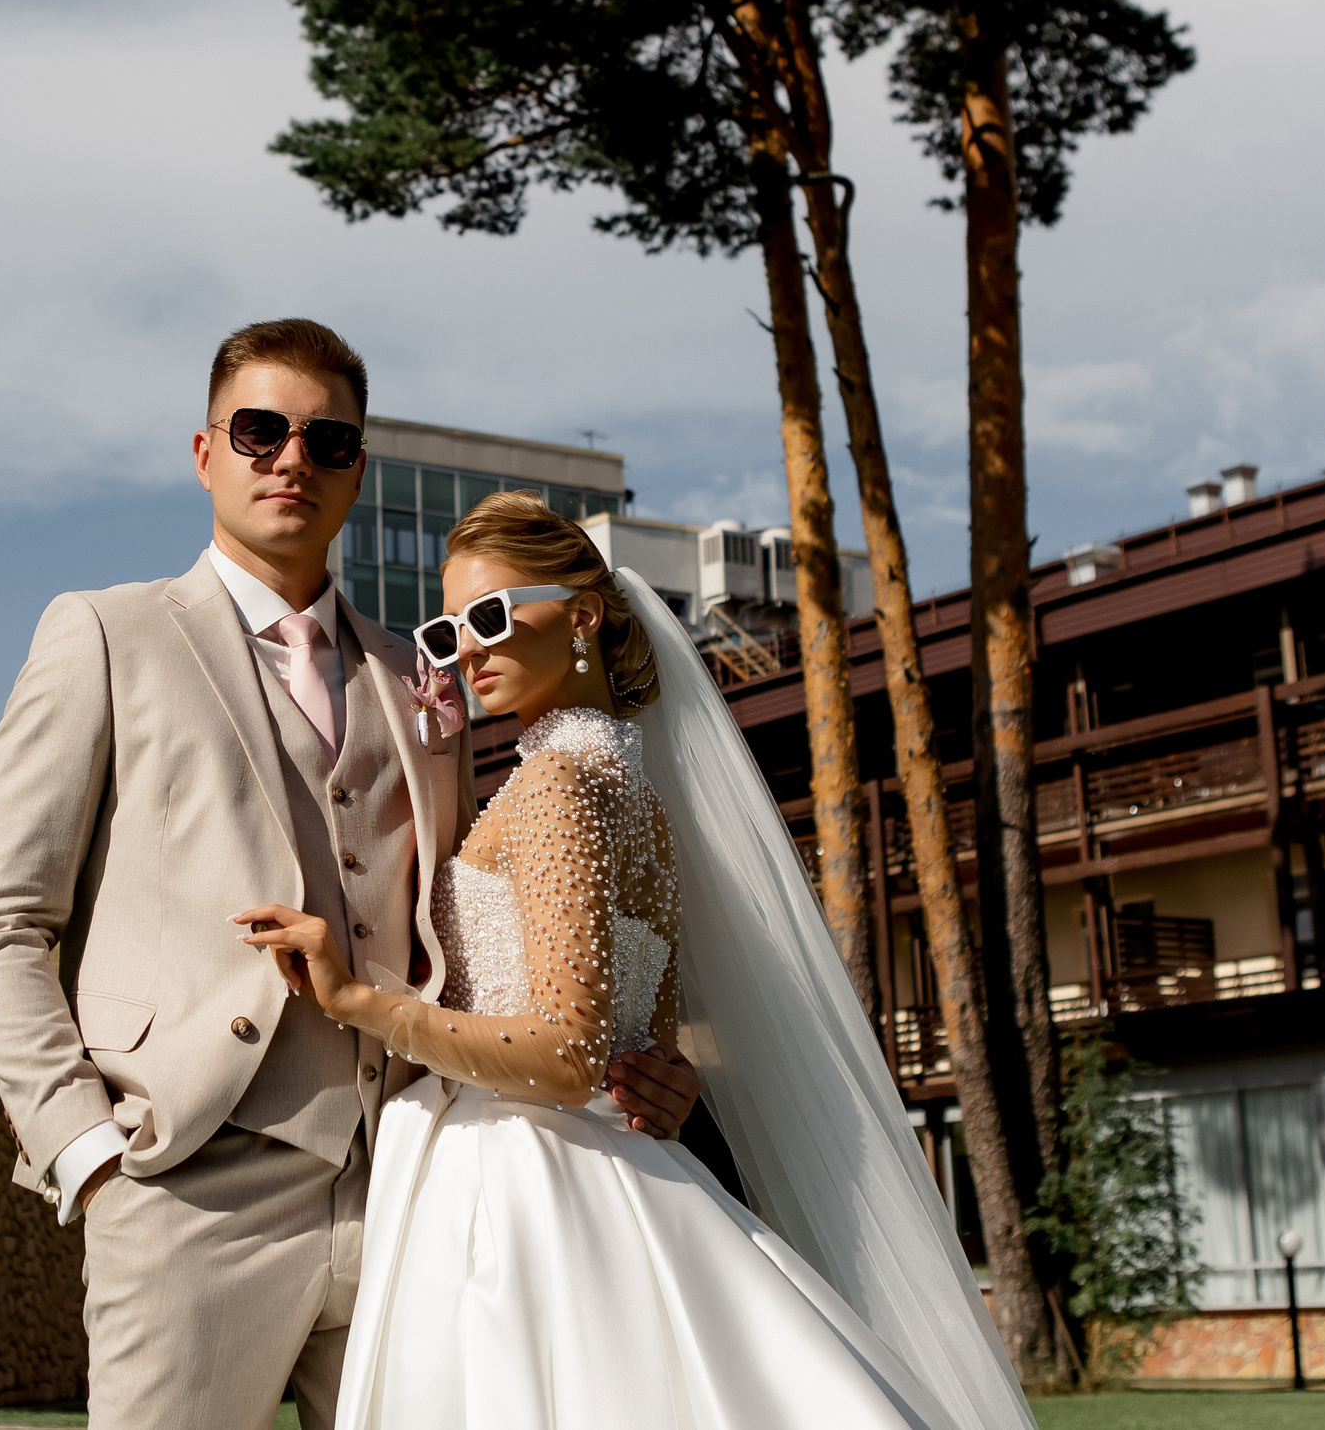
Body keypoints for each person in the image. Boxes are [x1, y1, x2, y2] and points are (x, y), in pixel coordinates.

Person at [0, 319, 702, 1430]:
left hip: (415, 1186)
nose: (290, 457)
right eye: (258, 430)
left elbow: (520, 917)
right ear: (206, 453)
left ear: (356, 466)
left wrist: (651, 1057)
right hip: (189, 1191)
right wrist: (88, 1152)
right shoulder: (104, 634)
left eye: (326, 438)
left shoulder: (428, 670)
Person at [238, 492, 1041, 1430]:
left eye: (491, 616)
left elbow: (570, 1054)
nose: (469, 647)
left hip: (522, 1184)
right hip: (611, 1166)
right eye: (450, 628)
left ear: (581, 614)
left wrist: (355, 998)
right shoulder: (642, 805)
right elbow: (637, 1050)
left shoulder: (557, 790)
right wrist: (668, 1080)